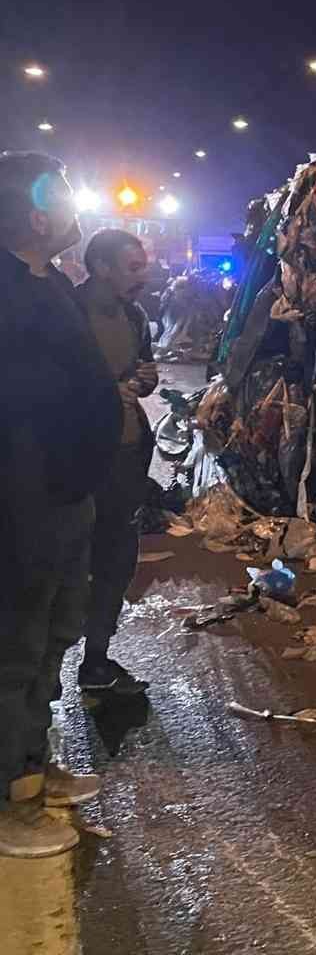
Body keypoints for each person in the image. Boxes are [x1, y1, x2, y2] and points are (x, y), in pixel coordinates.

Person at [0, 152, 121, 858]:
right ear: (38, 216)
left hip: (67, 495)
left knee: (52, 635)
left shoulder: (48, 284)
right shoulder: (8, 293)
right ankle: (8, 799)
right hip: (26, 502)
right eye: (66, 195)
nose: (78, 207)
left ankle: (30, 766)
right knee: (13, 647)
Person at [75, 229, 159, 695]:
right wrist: (108, 393)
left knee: (116, 560)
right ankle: (35, 679)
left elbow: (141, 374)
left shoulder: (135, 315)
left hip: (125, 454)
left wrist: (144, 379)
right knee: (65, 562)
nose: (143, 276)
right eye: (133, 267)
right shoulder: (65, 314)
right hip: (73, 457)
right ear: (101, 268)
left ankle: (96, 660)